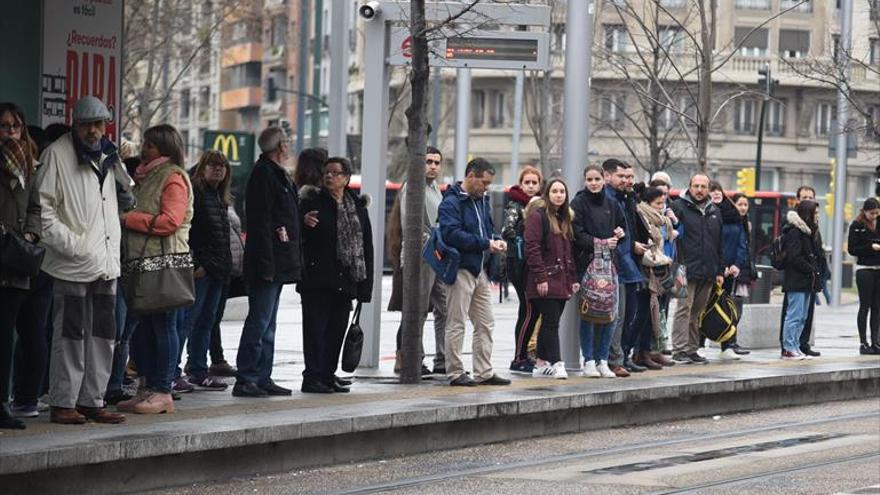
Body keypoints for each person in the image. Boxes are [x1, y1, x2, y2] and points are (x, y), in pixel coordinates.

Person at [39, 96, 129, 425]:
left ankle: (93, 399)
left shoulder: (109, 154)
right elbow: (44, 213)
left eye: (99, 123)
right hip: (74, 263)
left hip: (105, 263)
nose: (94, 130)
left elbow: (117, 199)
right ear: (75, 124)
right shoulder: (56, 156)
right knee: (70, 336)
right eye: (87, 124)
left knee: (104, 335)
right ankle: (63, 401)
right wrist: (76, 247)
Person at [115, 125, 193, 414]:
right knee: (143, 330)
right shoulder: (147, 176)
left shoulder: (172, 177)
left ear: (163, 147)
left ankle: (163, 390)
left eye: (148, 144)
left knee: (163, 326)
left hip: (163, 265)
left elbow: (170, 221)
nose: (142, 148)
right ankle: (147, 387)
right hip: (142, 265)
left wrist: (128, 219)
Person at [234, 127, 305, 398]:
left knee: (268, 323)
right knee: (259, 321)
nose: (289, 147)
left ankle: (262, 376)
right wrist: (266, 264)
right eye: (286, 142)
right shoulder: (265, 175)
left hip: (275, 261)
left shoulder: (276, 174)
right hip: (267, 262)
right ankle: (247, 377)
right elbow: (262, 222)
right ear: (280, 147)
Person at [299, 157, 374, 393]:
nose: (329, 176)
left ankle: (327, 375)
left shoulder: (357, 206)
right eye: (327, 172)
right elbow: (297, 235)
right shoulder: (312, 201)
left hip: (346, 281)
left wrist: (365, 288)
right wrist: (303, 223)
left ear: (346, 178)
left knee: (336, 331)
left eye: (335, 172)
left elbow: (367, 247)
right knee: (315, 331)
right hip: (317, 280)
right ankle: (312, 377)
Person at [438, 158, 511, 387]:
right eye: (485, 182)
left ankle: (483, 371)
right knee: (456, 321)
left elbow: (488, 228)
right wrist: (486, 244)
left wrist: (496, 240)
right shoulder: (451, 202)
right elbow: (451, 234)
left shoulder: (481, 200)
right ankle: (455, 372)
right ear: (471, 176)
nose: (487, 187)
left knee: (485, 322)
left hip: (480, 269)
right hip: (461, 267)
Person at [0, 103, 42, 429]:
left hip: (15, 262)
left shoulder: (29, 164)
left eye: (15, 126)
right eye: (4, 126)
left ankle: (2, 403)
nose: (10, 132)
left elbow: (36, 207)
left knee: (6, 336)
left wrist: (30, 231)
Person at [389, 147, 448, 376]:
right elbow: (411, 225)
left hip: (438, 256)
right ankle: (413, 357)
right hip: (421, 255)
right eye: (429, 161)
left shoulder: (435, 189)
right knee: (417, 309)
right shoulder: (412, 187)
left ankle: (442, 358)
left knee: (443, 307)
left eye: (437, 162)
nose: (433, 166)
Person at [178, 150, 233, 391]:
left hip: (219, 270)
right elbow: (187, 230)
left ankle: (198, 369)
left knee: (206, 322)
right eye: (213, 165)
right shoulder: (196, 192)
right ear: (203, 167)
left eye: (222, 166)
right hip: (202, 269)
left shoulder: (219, 196)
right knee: (188, 321)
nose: (218, 170)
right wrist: (196, 263)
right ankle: (172, 371)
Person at [571, 165, 624, 378]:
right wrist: (601, 242)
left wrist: (621, 233)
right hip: (587, 266)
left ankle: (603, 360)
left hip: (610, 266)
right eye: (589, 179)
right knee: (589, 313)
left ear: (604, 179)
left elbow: (623, 230)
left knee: (610, 314)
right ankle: (589, 360)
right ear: (585, 180)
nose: (593, 183)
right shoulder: (578, 203)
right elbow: (576, 234)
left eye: (597, 179)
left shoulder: (612, 203)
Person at [524, 178, 579, 379]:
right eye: (554, 191)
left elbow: (568, 252)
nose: (558, 195)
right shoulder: (538, 217)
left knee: (550, 321)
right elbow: (532, 249)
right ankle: (557, 363)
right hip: (545, 279)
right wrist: (540, 277)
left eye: (562, 192)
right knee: (551, 323)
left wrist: (573, 277)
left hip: (562, 279)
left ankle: (540, 363)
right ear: (547, 194)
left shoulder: (563, 219)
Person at [670, 173, 725, 365]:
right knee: (683, 309)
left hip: (708, 270)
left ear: (709, 188)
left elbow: (719, 243)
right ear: (690, 187)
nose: (699, 190)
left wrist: (719, 271)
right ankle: (679, 349)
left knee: (697, 311)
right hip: (683, 269)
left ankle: (692, 349)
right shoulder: (678, 207)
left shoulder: (715, 211)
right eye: (696, 186)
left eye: (703, 186)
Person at [602, 159, 646, 376]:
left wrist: (634, 244)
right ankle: (613, 359)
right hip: (616, 264)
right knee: (616, 316)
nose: (627, 181)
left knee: (627, 315)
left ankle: (620, 357)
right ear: (607, 176)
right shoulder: (608, 199)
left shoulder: (626, 198)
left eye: (630, 177)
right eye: (622, 176)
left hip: (628, 262)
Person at [501, 165, 543, 374]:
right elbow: (506, 230)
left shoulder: (542, 204)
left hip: (532, 264)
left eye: (534, 182)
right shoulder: (515, 204)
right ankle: (519, 356)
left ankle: (524, 354)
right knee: (528, 309)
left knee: (530, 310)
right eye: (527, 182)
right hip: (519, 263)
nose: (531, 186)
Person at [633, 183, 676, 369]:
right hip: (648, 271)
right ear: (648, 203)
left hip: (661, 271)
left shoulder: (662, 220)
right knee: (644, 314)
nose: (662, 207)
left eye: (663, 202)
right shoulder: (643, 216)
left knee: (656, 315)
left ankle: (650, 351)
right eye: (658, 203)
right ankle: (639, 352)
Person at [778, 185, 824, 357]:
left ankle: (795, 345)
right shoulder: (795, 231)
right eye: (815, 213)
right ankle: (789, 347)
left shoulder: (810, 231)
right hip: (797, 280)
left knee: (803, 316)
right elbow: (795, 257)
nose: (817, 216)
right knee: (794, 315)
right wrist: (811, 269)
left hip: (807, 281)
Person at [708, 181, 746, 360]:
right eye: (712, 192)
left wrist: (737, 264)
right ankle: (700, 343)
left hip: (731, 270)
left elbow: (742, 242)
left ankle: (727, 345)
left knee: (727, 306)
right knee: (706, 306)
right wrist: (719, 266)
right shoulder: (707, 214)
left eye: (718, 191)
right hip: (713, 268)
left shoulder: (733, 214)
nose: (715, 194)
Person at [847, 197, 880, 355]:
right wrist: (870, 247)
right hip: (864, 270)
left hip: (878, 269)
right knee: (865, 306)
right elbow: (852, 249)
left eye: (877, 213)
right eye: (871, 213)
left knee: (877, 307)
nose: (874, 216)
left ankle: (876, 341)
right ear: (865, 211)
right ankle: (863, 342)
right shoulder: (857, 225)